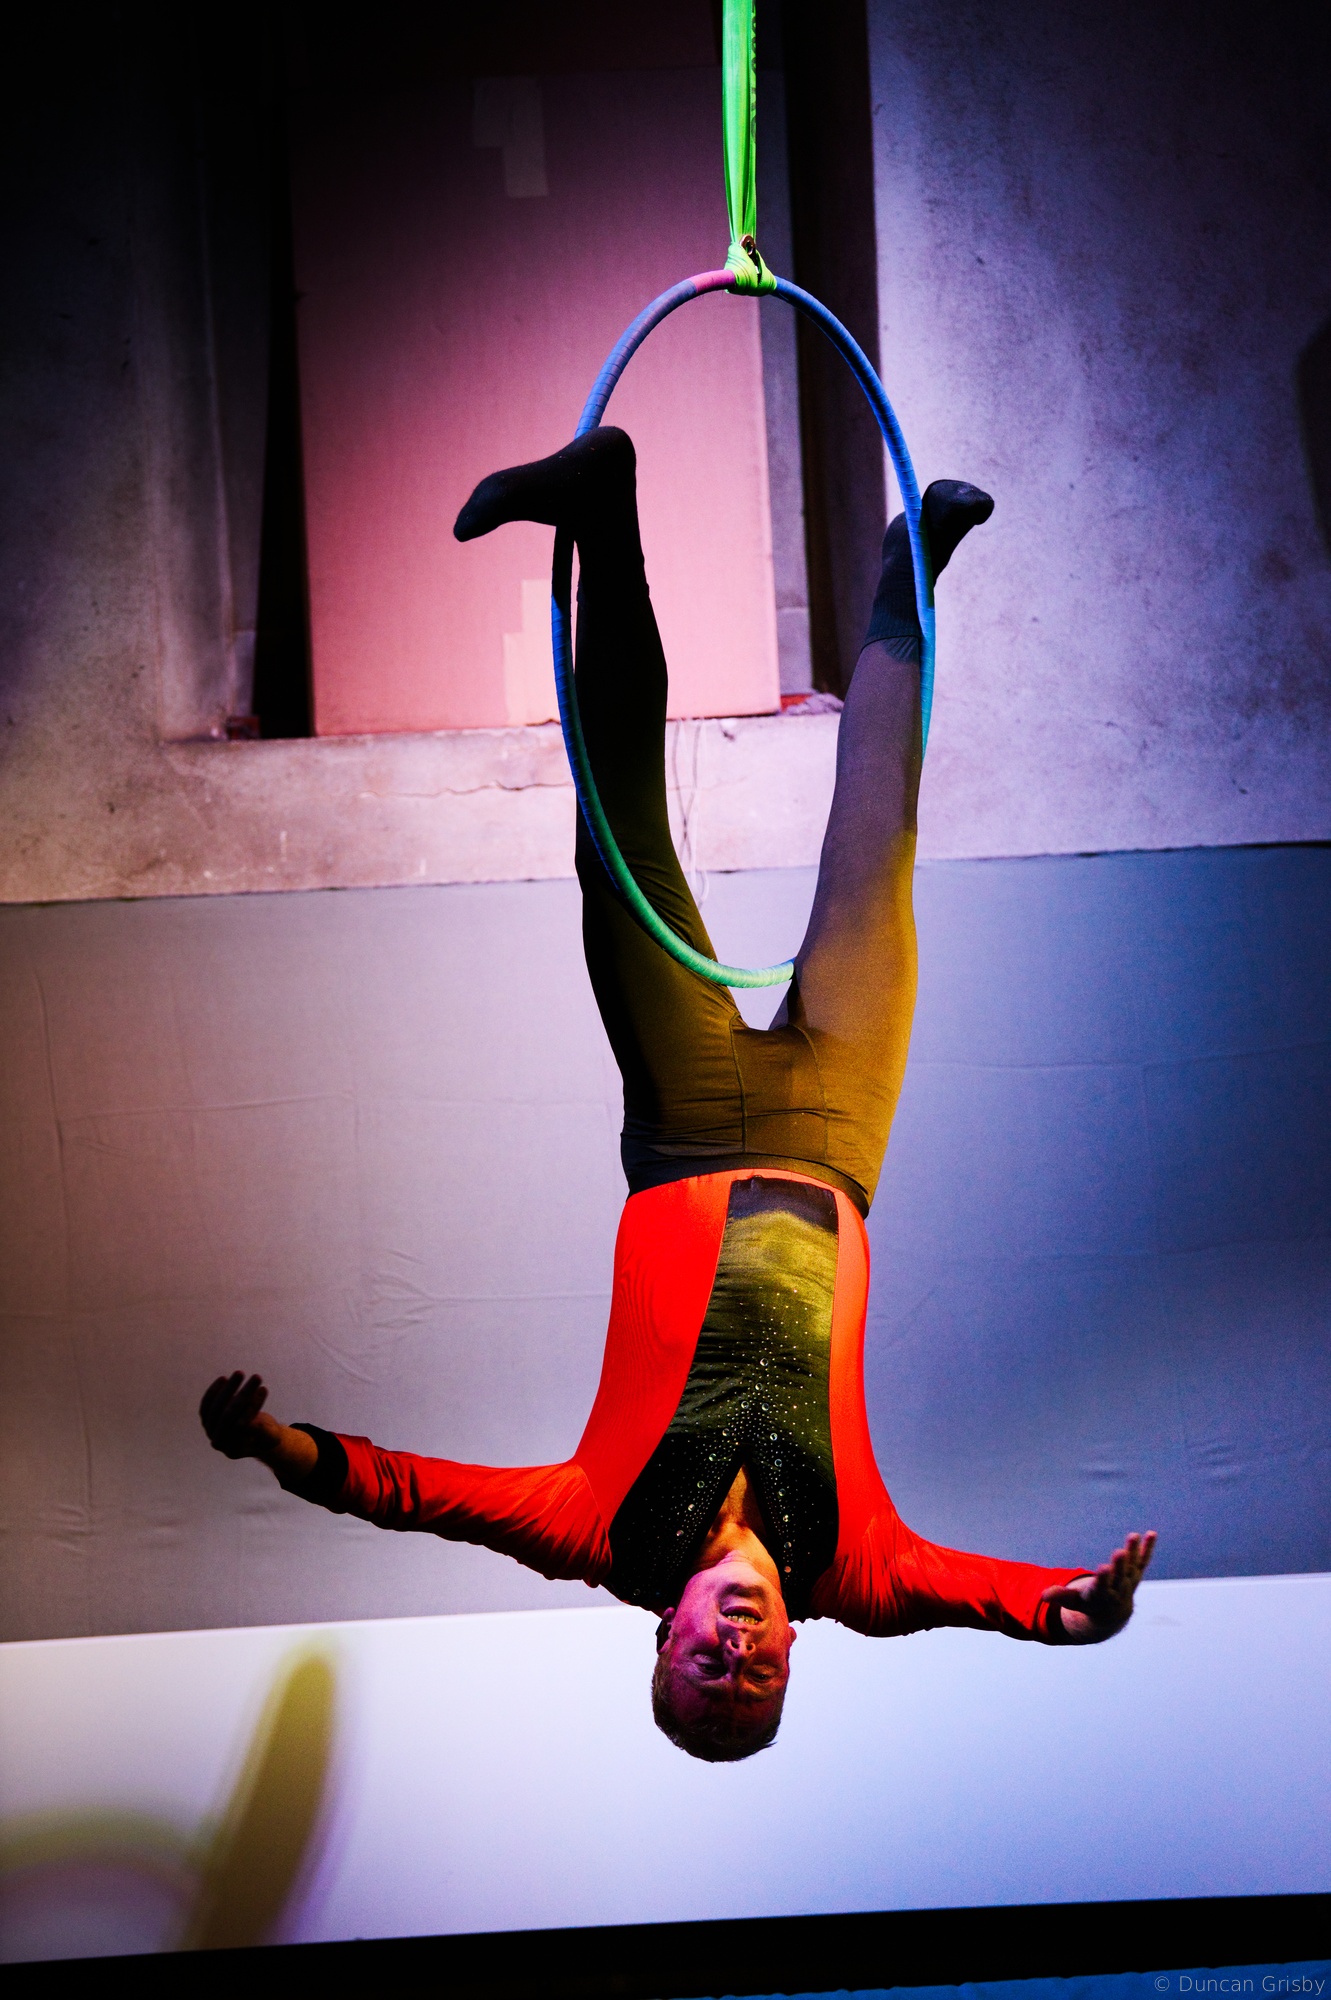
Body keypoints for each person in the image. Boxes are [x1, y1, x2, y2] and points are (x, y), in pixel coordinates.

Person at [201, 426, 1156, 1762]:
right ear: (791, 1663)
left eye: (708, 1669)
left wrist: (270, 1446)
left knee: (616, 838)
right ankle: (909, 572)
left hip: (689, 1126)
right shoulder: (855, 1573)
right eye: (755, 1681)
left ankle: (603, 511)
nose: (737, 1652)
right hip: (840, 1130)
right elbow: (1002, 1600)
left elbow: (417, 1495)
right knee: (880, 838)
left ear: (662, 1638)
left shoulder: (601, 1532)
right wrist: (1075, 1615)